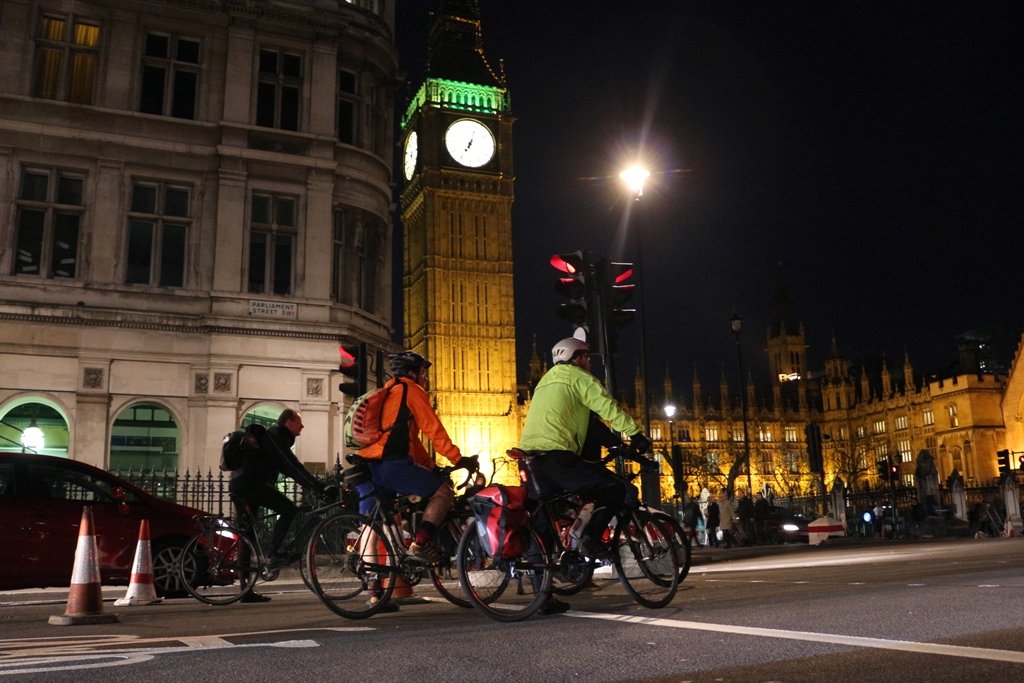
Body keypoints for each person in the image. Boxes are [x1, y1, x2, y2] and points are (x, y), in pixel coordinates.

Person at [518, 337, 652, 614]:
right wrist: (635, 433)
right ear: (577, 359)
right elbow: (607, 407)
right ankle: (590, 540)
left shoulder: (545, 381)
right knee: (615, 489)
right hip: (558, 455)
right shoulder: (578, 377)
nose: (589, 362)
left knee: (542, 525)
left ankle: (542, 597)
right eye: (587, 357)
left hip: (529, 459)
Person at [358, 351, 477, 565]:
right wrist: (458, 459)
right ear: (412, 373)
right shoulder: (411, 390)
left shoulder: (388, 391)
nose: (425, 377)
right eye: (423, 372)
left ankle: (372, 580)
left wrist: (431, 467)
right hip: (392, 465)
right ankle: (421, 544)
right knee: (443, 493)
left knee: (373, 525)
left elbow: (412, 442)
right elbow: (433, 429)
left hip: (369, 464)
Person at [229, 409, 325, 603]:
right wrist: (316, 486)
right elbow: (291, 466)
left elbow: (289, 466)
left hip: (242, 483)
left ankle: (245, 590)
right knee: (289, 509)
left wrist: (312, 485)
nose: (302, 426)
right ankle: (272, 554)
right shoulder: (275, 438)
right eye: (299, 422)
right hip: (251, 484)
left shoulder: (275, 438)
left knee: (248, 534)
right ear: (288, 422)